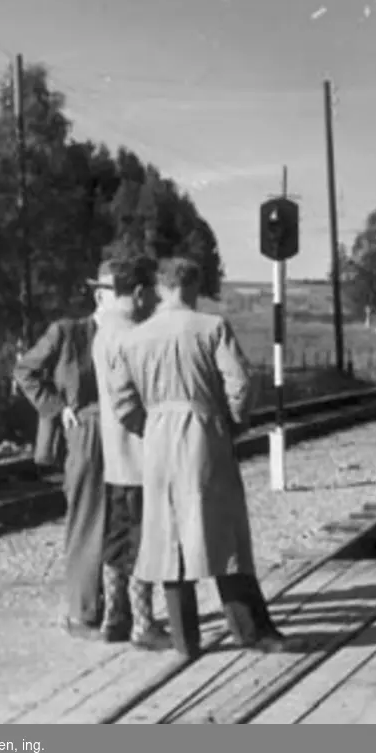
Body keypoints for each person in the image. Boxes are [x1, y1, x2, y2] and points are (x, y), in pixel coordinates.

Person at [107, 256, 300, 659]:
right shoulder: (212, 328)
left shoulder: (132, 338)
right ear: (193, 288)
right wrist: (229, 423)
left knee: (169, 541)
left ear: (160, 288)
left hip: (158, 443)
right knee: (225, 536)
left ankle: (185, 640)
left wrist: (153, 425)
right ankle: (250, 631)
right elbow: (242, 384)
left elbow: (123, 403)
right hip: (205, 436)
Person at [13, 266, 110, 638]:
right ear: (101, 296)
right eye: (120, 293)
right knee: (87, 522)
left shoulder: (130, 335)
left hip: (121, 437)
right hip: (83, 435)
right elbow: (25, 371)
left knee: (117, 524)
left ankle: (110, 608)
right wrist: (57, 407)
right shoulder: (68, 333)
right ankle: (81, 613)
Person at [92, 256, 174, 651]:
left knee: (116, 541)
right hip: (141, 458)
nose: (154, 302)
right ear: (139, 292)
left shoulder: (103, 331)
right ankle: (144, 623)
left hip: (114, 459)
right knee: (144, 543)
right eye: (151, 294)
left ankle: (115, 618)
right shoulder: (134, 336)